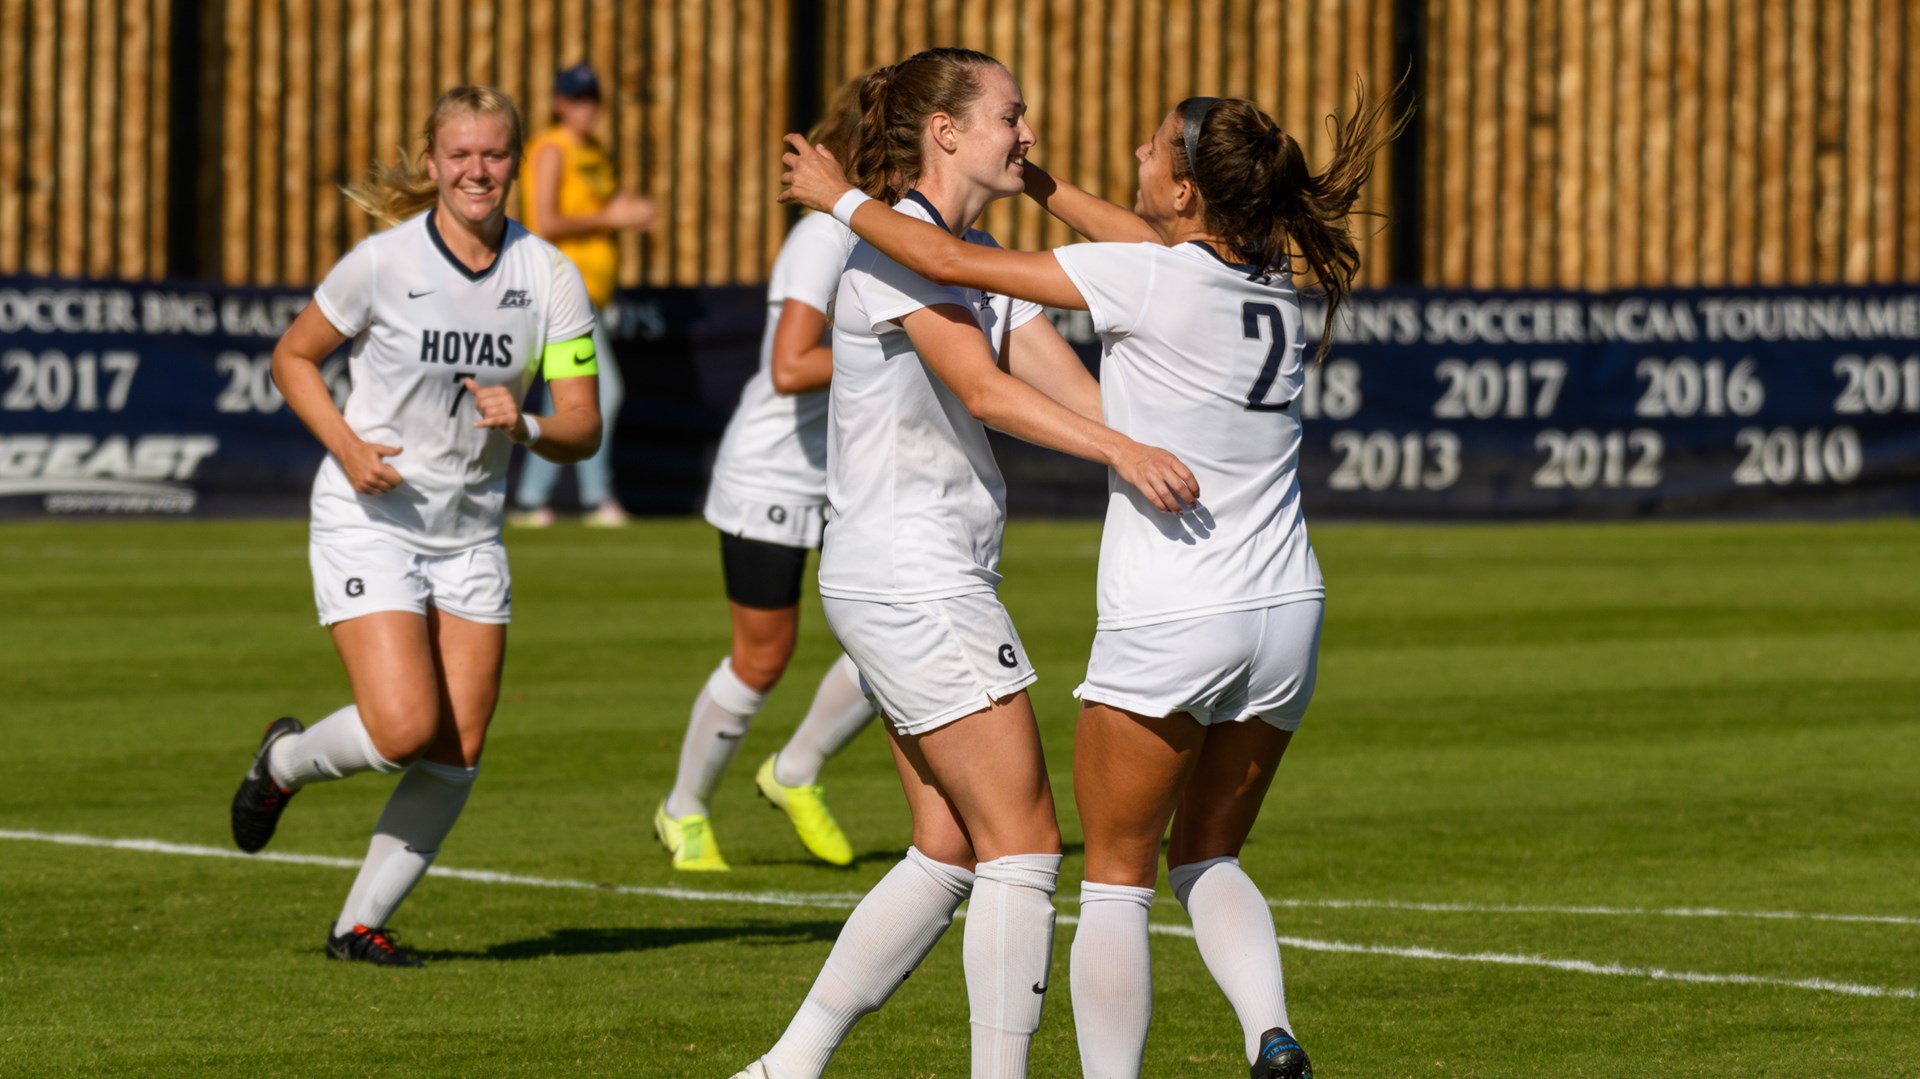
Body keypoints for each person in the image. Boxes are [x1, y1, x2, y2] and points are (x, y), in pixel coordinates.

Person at [782, 81, 1406, 1079]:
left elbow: (949, 263)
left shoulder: (1145, 277)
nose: (1136, 151)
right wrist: (1045, 185)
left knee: (1100, 874)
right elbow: (1130, 250)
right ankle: (1267, 1027)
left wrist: (837, 196)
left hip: (1175, 611)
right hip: (1288, 608)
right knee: (1203, 853)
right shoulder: (1270, 273)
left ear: (1189, 191)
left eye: (1155, 148)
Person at [732, 48, 1199, 1079]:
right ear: (946, 132)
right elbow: (986, 393)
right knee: (1025, 843)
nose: (1027, 133)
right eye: (1011, 115)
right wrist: (1127, 453)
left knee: (948, 845)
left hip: (918, 575)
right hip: (911, 577)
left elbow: (1079, 395)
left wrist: (1182, 434)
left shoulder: (971, 249)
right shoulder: (900, 254)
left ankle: (787, 1063)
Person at [228, 85, 602, 968]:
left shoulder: (549, 274)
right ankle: (283, 762)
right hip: (374, 517)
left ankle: (357, 926)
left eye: (495, 154)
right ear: (432, 163)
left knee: (455, 750)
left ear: (515, 160)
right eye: (461, 154)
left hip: (472, 534)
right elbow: (293, 357)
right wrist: (349, 446)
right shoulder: (382, 262)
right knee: (401, 730)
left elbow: (583, 425)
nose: (479, 170)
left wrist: (531, 423)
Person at [655, 78, 875, 872]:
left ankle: (795, 770)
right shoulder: (824, 237)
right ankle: (682, 809)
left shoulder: (894, 231)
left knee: (897, 638)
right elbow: (788, 367)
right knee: (762, 656)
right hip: (775, 473)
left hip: (850, 475)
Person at [509, 62, 656, 527]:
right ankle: (593, 498)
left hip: (589, 294)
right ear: (558, 103)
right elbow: (546, 222)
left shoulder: (593, 150)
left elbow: (602, 212)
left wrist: (628, 215)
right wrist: (612, 218)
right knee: (603, 393)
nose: (586, 109)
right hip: (559, 290)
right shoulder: (552, 149)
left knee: (568, 399)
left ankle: (534, 500)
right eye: (577, 99)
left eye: (592, 99)